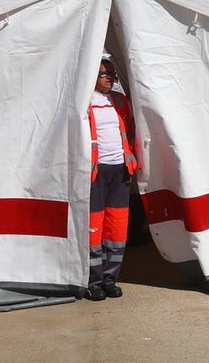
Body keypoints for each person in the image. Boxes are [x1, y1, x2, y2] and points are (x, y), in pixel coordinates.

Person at [86, 58, 138, 300]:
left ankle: (110, 279)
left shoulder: (119, 101)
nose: (108, 77)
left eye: (110, 73)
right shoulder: (84, 103)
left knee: (116, 227)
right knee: (93, 228)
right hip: (95, 173)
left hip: (120, 171)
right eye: (101, 74)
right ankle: (92, 281)